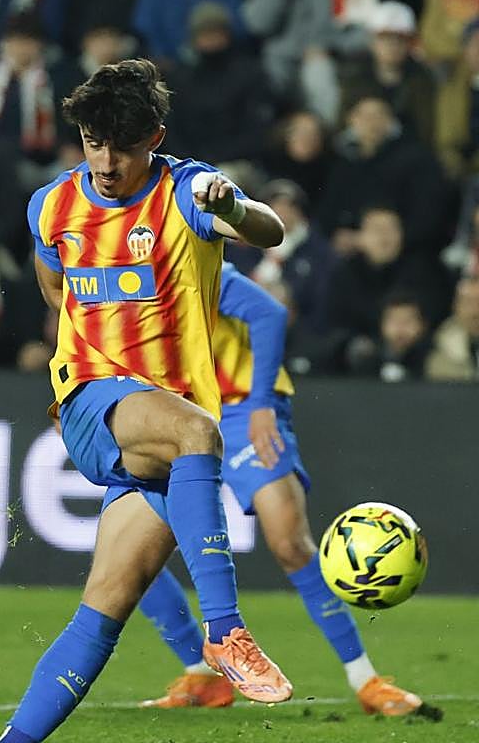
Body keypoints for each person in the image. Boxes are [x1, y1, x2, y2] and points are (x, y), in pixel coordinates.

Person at [0, 59, 289, 743]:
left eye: (122, 147)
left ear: (156, 139)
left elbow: (267, 231)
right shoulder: (51, 205)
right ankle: (225, 633)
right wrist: (90, 358)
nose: (106, 164)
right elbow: (55, 283)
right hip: (95, 401)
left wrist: (232, 205)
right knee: (201, 432)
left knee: (104, 608)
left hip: (161, 427)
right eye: (91, 144)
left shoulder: (186, 190)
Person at [138, 264, 429, 716]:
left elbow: (269, 313)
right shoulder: (107, 273)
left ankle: (366, 679)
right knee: (132, 548)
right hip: (169, 415)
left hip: (238, 410)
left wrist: (260, 406)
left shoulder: (190, 262)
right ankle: (201, 674)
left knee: (289, 541)